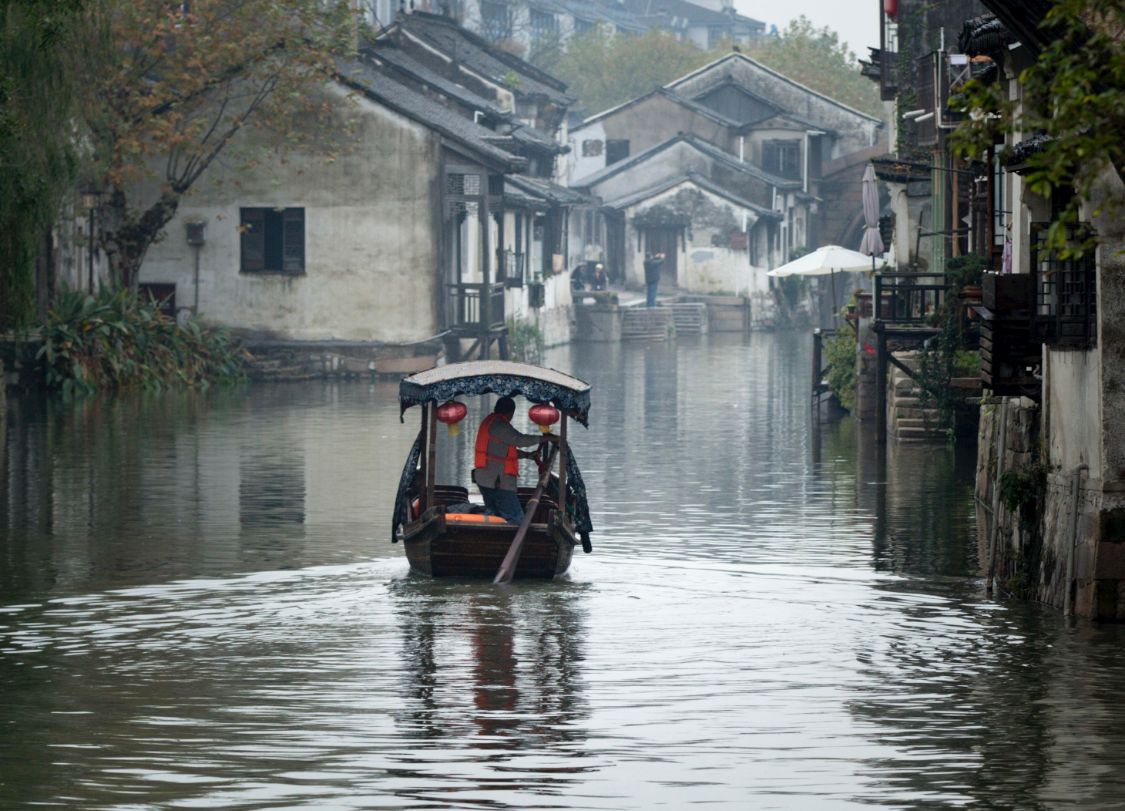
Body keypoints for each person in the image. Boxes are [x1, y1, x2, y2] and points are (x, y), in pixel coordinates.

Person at [472, 396, 554, 524]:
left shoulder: (489, 422)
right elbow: (519, 440)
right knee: (517, 519)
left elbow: (500, 452)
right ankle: (516, 537)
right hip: (498, 482)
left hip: (484, 480)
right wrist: (545, 439)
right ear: (511, 412)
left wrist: (527, 455)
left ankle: (495, 535)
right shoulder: (500, 425)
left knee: (495, 516)